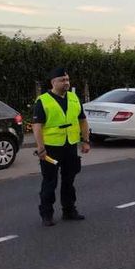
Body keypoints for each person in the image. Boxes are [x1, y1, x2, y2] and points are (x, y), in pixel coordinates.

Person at [32, 67, 91, 226]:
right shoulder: (43, 101)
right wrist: (41, 148)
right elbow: (37, 126)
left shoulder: (73, 98)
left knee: (69, 181)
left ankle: (69, 210)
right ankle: (46, 214)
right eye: (62, 80)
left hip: (70, 146)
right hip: (51, 149)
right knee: (50, 182)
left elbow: (82, 120)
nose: (66, 82)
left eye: (67, 79)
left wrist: (85, 140)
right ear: (53, 82)